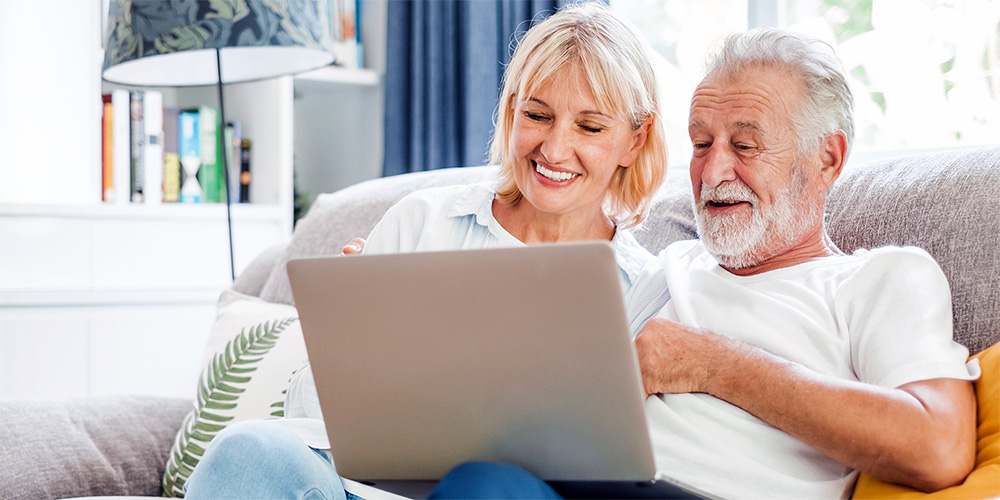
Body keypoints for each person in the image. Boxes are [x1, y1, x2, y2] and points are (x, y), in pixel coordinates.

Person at [429, 28, 980, 499]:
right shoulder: (662, 267)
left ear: (826, 158)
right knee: (479, 481)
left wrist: (713, 365)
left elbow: (938, 447)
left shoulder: (880, 278)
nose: (713, 171)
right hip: (586, 482)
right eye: (700, 143)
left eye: (745, 146)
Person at [183, 3, 670, 499]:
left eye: (589, 127)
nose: (554, 148)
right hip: (364, 490)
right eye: (537, 115)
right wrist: (349, 341)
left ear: (635, 140)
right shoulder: (422, 222)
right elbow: (306, 416)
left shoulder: (646, 290)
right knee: (248, 450)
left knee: (482, 488)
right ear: (510, 111)